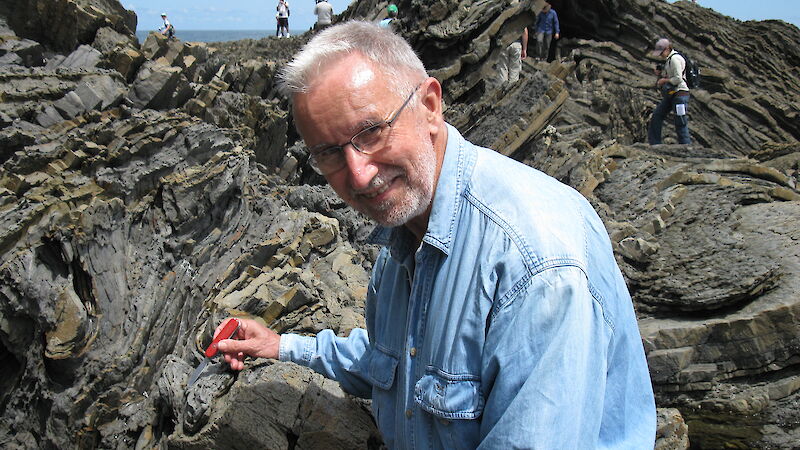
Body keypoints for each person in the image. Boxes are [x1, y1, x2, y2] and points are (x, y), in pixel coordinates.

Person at [215, 21, 656, 448]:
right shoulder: (405, 232)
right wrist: (281, 346)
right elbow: (398, 360)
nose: (359, 173)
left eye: (371, 131)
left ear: (429, 106)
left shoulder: (536, 265)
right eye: (329, 153)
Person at [648, 37, 691, 145]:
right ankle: (655, 144)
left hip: (680, 95)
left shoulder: (675, 59)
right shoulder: (669, 60)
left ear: (667, 49)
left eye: (661, 52)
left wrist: (664, 80)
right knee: (657, 115)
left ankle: (687, 147)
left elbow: (678, 78)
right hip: (672, 95)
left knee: (680, 122)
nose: (661, 55)